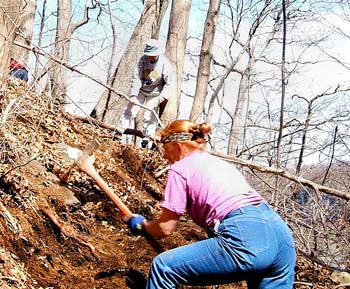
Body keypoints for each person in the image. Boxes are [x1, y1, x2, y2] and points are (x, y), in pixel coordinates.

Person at [126, 119, 296, 289]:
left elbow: (165, 228)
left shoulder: (180, 169)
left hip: (246, 235)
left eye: (165, 149)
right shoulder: (221, 164)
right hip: (281, 236)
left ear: (177, 146)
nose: (164, 156)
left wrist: (141, 225)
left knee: (163, 267)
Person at [123, 39, 174, 148]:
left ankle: (146, 141)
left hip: (155, 94)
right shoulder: (142, 61)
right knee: (130, 111)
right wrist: (133, 95)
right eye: (149, 55)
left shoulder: (165, 64)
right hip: (141, 90)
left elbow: (170, 83)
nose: (150, 57)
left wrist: (161, 98)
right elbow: (136, 78)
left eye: (153, 55)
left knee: (149, 116)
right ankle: (119, 133)